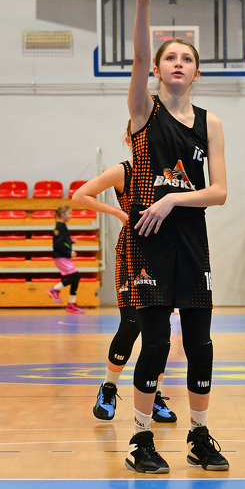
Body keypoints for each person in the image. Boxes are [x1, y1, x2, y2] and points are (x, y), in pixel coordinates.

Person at [118, 0, 228, 474]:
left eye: (187, 59)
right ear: (158, 70)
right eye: (170, 58)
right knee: (157, 343)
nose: (178, 63)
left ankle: (199, 434)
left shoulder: (211, 123)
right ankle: (140, 438)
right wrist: (143, 2)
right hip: (149, 243)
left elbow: (220, 191)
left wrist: (173, 200)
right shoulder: (143, 112)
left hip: (191, 241)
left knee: (200, 343)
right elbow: (139, 56)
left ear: (197, 72)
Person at [72, 123, 176, 424]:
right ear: (130, 140)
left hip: (164, 254)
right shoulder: (123, 171)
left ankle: (152, 394)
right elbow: (80, 195)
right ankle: (108, 387)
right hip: (132, 253)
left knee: (160, 333)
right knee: (132, 324)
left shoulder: (171, 174)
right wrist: (118, 212)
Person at [46, 205, 85, 314]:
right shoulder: (59, 227)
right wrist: (69, 252)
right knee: (75, 276)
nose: (71, 216)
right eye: (69, 213)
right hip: (61, 257)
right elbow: (57, 245)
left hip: (63, 257)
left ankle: (71, 304)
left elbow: (62, 242)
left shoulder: (62, 226)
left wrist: (71, 242)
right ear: (62, 214)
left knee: (75, 278)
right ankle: (54, 290)